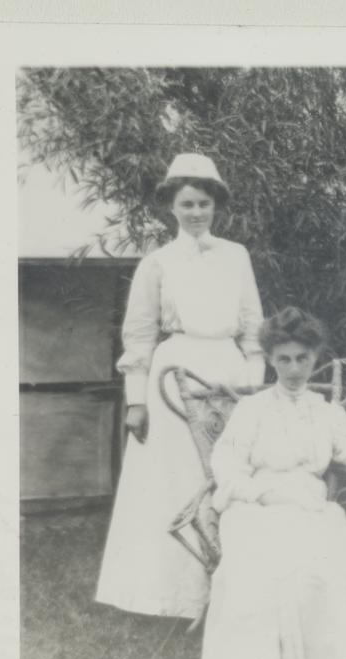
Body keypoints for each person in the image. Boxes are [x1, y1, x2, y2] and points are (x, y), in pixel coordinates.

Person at [199, 307, 346, 659]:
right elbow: (226, 466)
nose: (294, 368)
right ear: (271, 360)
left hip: (311, 508)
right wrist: (265, 494)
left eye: (302, 358)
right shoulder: (253, 410)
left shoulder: (326, 412)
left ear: (316, 358)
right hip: (255, 508)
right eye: (284, 359)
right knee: (288, 572)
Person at [96, 153, 265, 618]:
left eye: (204, 204)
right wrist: (135, 401)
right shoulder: (157, 263)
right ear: (171, 205)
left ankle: (231, 592)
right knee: (172, 480)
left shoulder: (236, 256)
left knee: (225, 475)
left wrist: (252, 383)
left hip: (228, 373)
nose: (195, 213)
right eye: (187, 204)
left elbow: (253, 327)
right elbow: (140, 334)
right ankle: (169, 597)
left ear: (216, 206)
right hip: (171, 377)